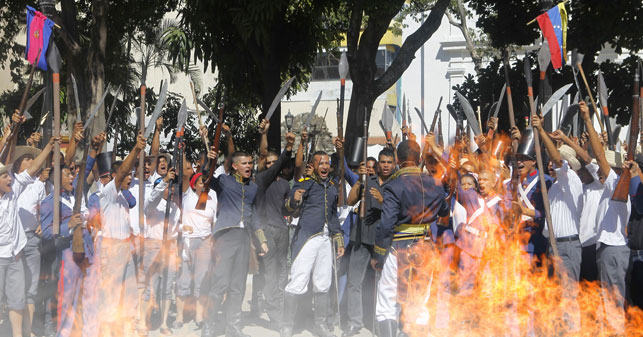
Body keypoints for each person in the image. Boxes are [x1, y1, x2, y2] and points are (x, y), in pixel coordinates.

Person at [371, 140, 448, 337]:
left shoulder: (393, 186)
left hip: (399, 247)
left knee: (387, 299)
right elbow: (444, 210)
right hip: (425, 247)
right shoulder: (436, 184)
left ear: (397, 160)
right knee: (420, 301)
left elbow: (387, 224)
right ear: (420, 158)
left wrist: (378, 254)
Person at [201, 150, 268, 337]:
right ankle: (209, 328)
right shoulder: (224, 181)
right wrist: (209, 160)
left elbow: (253, 215)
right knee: (219, 285)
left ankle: (233, 328)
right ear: (235, 166)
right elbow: (207, 178)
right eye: (245, 163)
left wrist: (261, 240)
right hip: (225, 237)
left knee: (238, 286)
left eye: (250, 163)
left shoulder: (253, 187)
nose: (249, 166)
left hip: (244, 238)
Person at [281, 150, 345, 337]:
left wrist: (338, 239)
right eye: (321, 163)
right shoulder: (304, 184)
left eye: (327, 163)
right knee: (298, 281)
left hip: (326, 240)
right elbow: (288, 208)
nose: (324, 166)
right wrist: (295, 200)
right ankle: (287, 326)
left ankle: (321, 326)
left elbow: (333, 216)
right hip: (307, 238)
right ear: (314, 165)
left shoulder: (333, 187)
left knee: (323, 282)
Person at [0, 136, 56, 337]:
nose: (9, 179)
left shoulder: (13, 190)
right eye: (5, 176)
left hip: (15, 255)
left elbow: (33, 170)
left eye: (9, 175)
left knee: (17, 300)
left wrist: (49, 145)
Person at [97, 133, 146, 337]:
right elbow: (123, 170)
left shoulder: (124, 199)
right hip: (112, 249)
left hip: (125, 249)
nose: (130, 177)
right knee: (111, 298)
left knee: (128, 297)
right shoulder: (107, 192)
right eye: (126, 175)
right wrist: (136, 149)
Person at [343, 148, 395, 337]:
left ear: (394, 163)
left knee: (382, 285)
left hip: (383, 241)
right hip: (361, 237)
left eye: (389, 162)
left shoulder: (397, 184)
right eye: (383, 162)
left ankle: (378, 323)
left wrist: (383, 202)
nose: (386, 165)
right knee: (354, 281)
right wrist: (359, 181)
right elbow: (350, 201)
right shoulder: (368, 180)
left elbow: (400, 211)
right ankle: (354, 322)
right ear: (378, 163)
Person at [253, 125, 295, 326]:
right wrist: (287, 149)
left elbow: (287, 210)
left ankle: (279, 306)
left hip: (282, 229)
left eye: (274, 162)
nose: (272, 165)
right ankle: (273, 312)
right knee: (270, 271)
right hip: (266, 229)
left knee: (281, 272)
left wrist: (296, 201)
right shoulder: (260, 180)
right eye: (268, 163)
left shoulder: (285, 184)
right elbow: (262, 155)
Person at [175, 170, 217, 329]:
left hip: (205, 241)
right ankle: (179, 316)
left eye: (206, 182)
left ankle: (199, 315)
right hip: (187, 241)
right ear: (194, 185)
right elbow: (185, 173)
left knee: (201, 280)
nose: (204, 185)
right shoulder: (187, 196)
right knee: (183, 279)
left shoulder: (212, 198)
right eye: (201, 182)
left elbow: (214, 222)